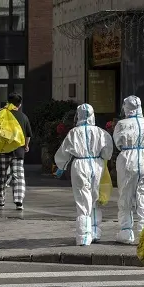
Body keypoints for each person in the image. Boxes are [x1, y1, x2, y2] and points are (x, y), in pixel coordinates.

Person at [54, 103, 114, 246]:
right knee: (94, 199)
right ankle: (95, 231)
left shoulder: (74, 132)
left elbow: (64, 152)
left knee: (82, 200)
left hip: (80, 165)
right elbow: (107, 153)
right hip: (96, 164)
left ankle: (83, 236)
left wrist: (61, 166)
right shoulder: (101, 133)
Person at [113, 95, 144, 245]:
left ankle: (126, 231)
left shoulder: (121, 124)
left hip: (127, 159)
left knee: (126, 195)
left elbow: (117, 142)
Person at [0, 92, 32, 211]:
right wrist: (26, 145)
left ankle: (0, 202)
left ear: (8, 103)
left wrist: (3, 108)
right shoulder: (23, 117)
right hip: (18, 152)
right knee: (18, 176)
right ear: (19, 105)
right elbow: (28, 134)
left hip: (3, 150)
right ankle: (19, 202)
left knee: (1, 176)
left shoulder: (1, 115)